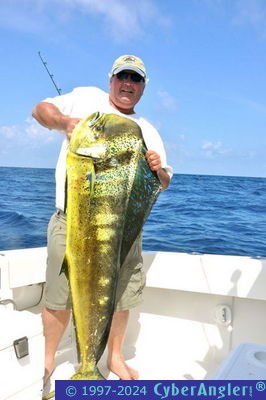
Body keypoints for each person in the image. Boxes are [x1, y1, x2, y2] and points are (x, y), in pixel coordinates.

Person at [32, 54, 173, 382]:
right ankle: (48, 364)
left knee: (121, 295)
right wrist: (65, 123)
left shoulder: (148, 129)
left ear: (143, 87)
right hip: (73, 222)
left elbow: (164, 181)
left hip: (123, 229)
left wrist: (157, 169)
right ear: (111, 79)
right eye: (122, 76)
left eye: (135, 79)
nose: (128, 84)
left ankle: (114, 360)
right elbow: (41, 110)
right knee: (58, 294)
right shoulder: (85, 99)